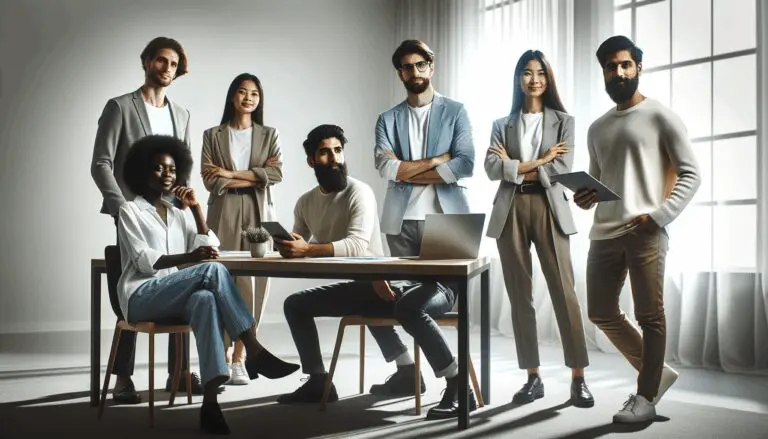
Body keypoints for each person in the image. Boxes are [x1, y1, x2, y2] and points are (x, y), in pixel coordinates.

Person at [277, 125, 476, 420]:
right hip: (372, 284)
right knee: (296, 304)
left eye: (338, 150)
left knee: (403, 304)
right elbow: (300, 239)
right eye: (324, 152)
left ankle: (461, 387)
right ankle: (322, 381)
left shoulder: (359, 192)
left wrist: (307, 250)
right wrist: (287, 244)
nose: (334, 158)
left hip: (407, 283)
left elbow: (357, 244)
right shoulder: (306, 201)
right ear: (311, 161)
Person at [116, 134, 298, 434]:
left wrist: (197, 209)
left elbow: (212, 246)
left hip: (174, 294)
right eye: (158, 168)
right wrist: (190, 255)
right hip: (140, 296)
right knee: (211, 272)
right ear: (142, 172)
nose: (167, 175)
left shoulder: (177, 213)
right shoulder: (130, 211)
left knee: (206, 299)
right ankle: (252, 347)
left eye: (172, 169)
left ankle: (211, 405)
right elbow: (142, 259)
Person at [574, 35, 700, 423]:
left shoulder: (660, 116)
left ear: (639, 68)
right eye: (611, 67)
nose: (619, 72)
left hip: (646, 229)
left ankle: (645, 398)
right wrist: (585, 196)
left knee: (651, 316)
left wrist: (659, 216)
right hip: (605, 232)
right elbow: (598, 182)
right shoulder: (597, 128)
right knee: (600, 311)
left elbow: (691, 174)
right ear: (604, 73)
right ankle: (656, 374)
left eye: (626, 64)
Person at [90, 36, 200, 403]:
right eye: (161, 61)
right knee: (136, 287)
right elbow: (101, 162)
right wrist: (122, 207)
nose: (167, 69)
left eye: (173, 64)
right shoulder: (120, 107)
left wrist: (187, 202)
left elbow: (183, 169)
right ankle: (122, 378)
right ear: (146, 62)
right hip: (134, 212)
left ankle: (180, 372)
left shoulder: (181, 114)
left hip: (173, 215)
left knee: (182, 281)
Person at [485, 50, 593, 408]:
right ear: (518, 78)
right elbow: (490, 167)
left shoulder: (564, 121)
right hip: (510, 209)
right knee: (520, 296)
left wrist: (516, 167)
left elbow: (561, 168)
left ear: (548, 78)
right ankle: (532, 376)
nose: (534, 79)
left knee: (565, 292)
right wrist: (539, 161)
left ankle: (578, 377)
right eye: (527, 73)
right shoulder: (502, 124)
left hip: (549, 207)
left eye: (540, 72)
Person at [371, 39, 475, 398]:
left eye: (419, 65)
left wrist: (406, 171)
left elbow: (464, 163)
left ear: (431, 67)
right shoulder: (387, 118)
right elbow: (385, 166)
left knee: (419, 303)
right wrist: (435, 161)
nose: (413, 71)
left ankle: (455, 381)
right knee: (382, 298)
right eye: (405, 66)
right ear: (399, 71)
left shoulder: (456, 111)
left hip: (448, 223)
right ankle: (405, 370)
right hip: (400, 222)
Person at [201, 73, 282, 386]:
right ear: (232, 96)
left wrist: (230, 173)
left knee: (255, 283)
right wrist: (251, 176)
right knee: (220, 280)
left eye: (254, 94)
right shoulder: (213, 134)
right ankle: (218, 357)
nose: (249, 98)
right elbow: (211, 179)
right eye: (242, 92)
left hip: (258, 212)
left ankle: (240, 357)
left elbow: (274, 174)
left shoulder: (269, 134)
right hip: (223, 212)